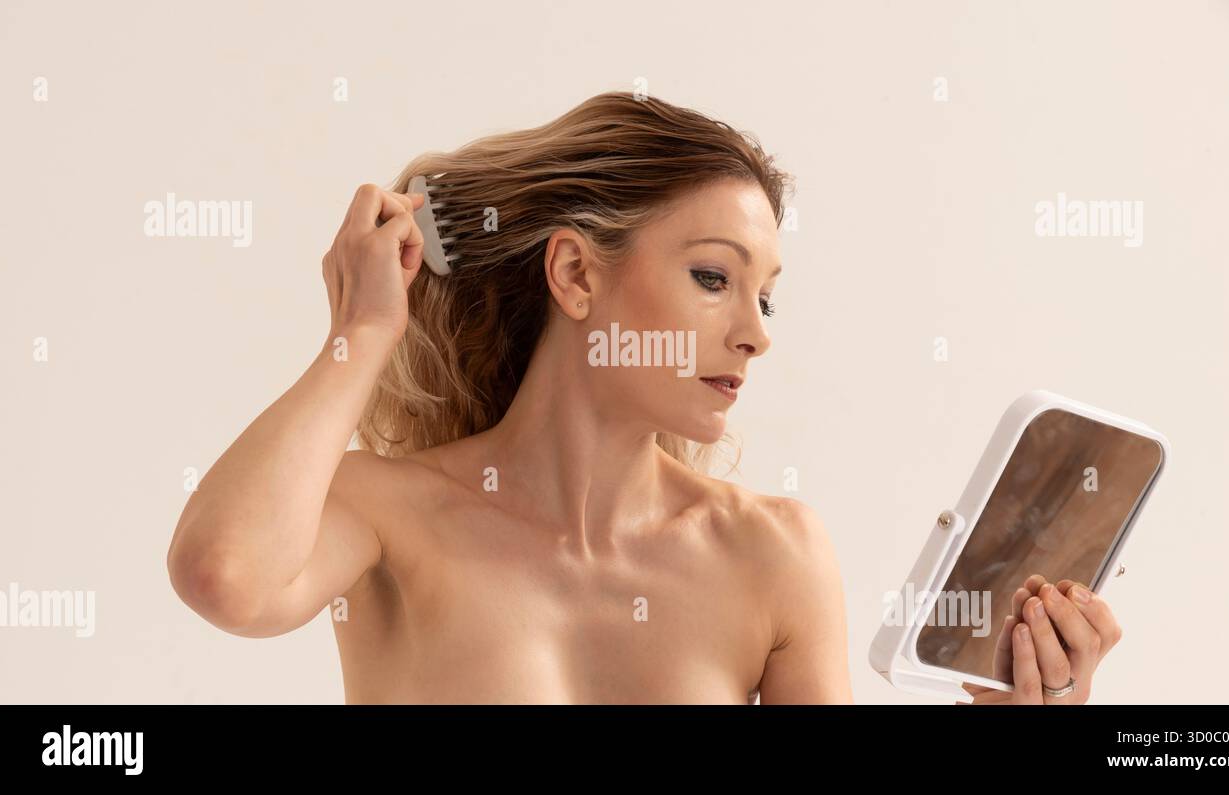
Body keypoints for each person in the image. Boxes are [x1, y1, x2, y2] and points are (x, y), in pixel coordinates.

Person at [166, 92, 1120, 704]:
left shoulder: (771, 553)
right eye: (715, 277)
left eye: (767, 293)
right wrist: (361, 333)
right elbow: (225, 576)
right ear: (576, 275)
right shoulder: (388, 513)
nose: (757, 331)